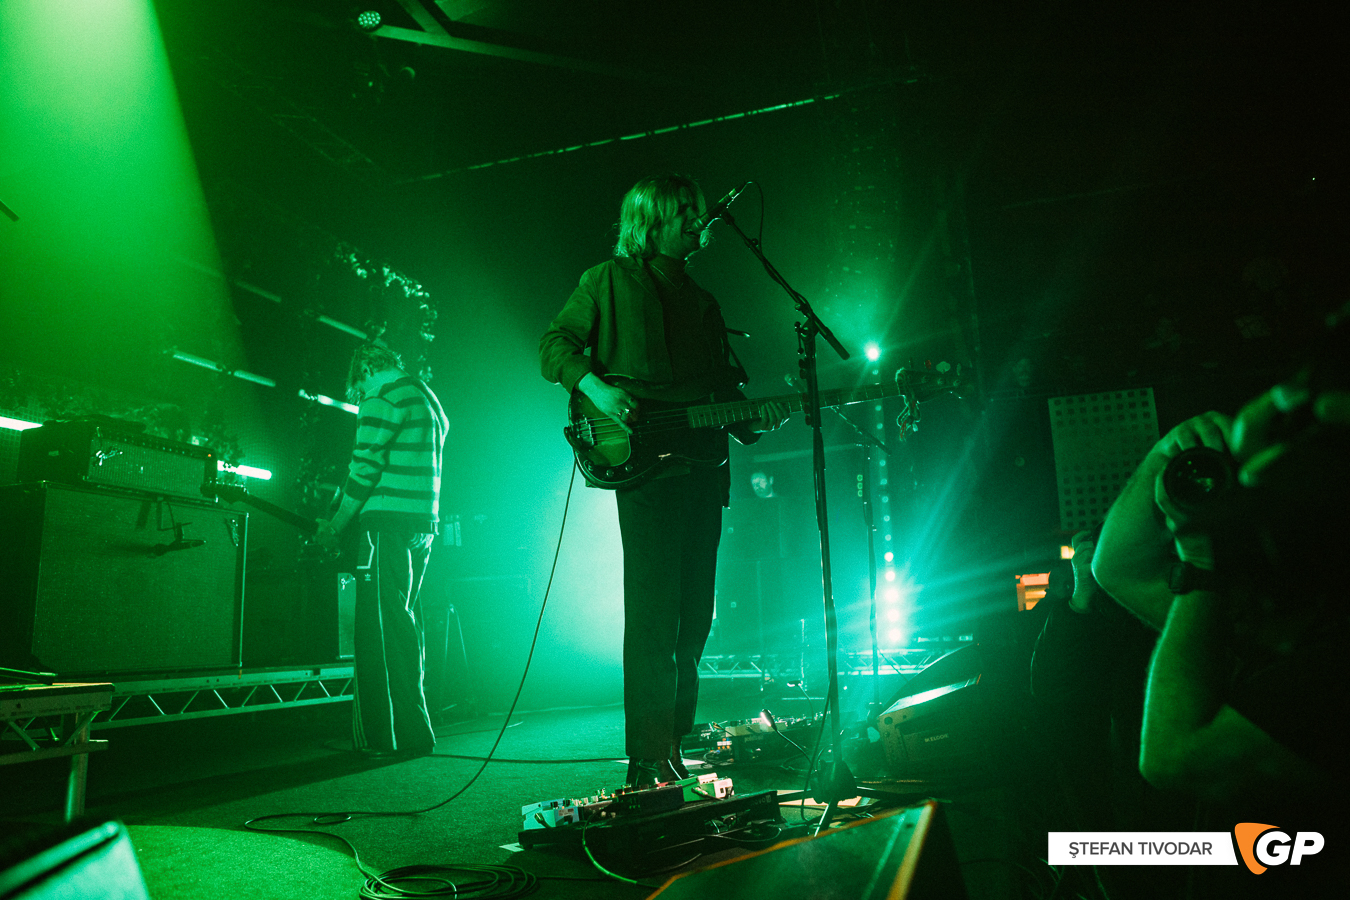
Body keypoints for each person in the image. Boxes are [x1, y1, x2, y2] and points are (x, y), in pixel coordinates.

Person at [539, 174, 788, 785]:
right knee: (654, 615)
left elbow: (722, 397)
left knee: (694, 614)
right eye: (684, 213)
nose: (696, 222)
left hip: (705, 470)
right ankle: (646, 756)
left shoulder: (704, 302)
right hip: (648, 474)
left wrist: (761, 417)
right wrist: (598, 387)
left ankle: (673, 743)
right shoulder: (605, 281)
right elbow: (555, 346)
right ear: (649, 220)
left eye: (698, 214)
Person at [317, 344, 447, 758]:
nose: (359, 395)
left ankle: (388, 737)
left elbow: (364, 468)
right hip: (421, 524)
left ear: (369, 368)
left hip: (382, 525)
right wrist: (426, 520)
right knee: (404, 621)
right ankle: (417, 730)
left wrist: (336, 524)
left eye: (358, 385)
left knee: (377, 630)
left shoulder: (382, 397)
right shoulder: (426, 397)